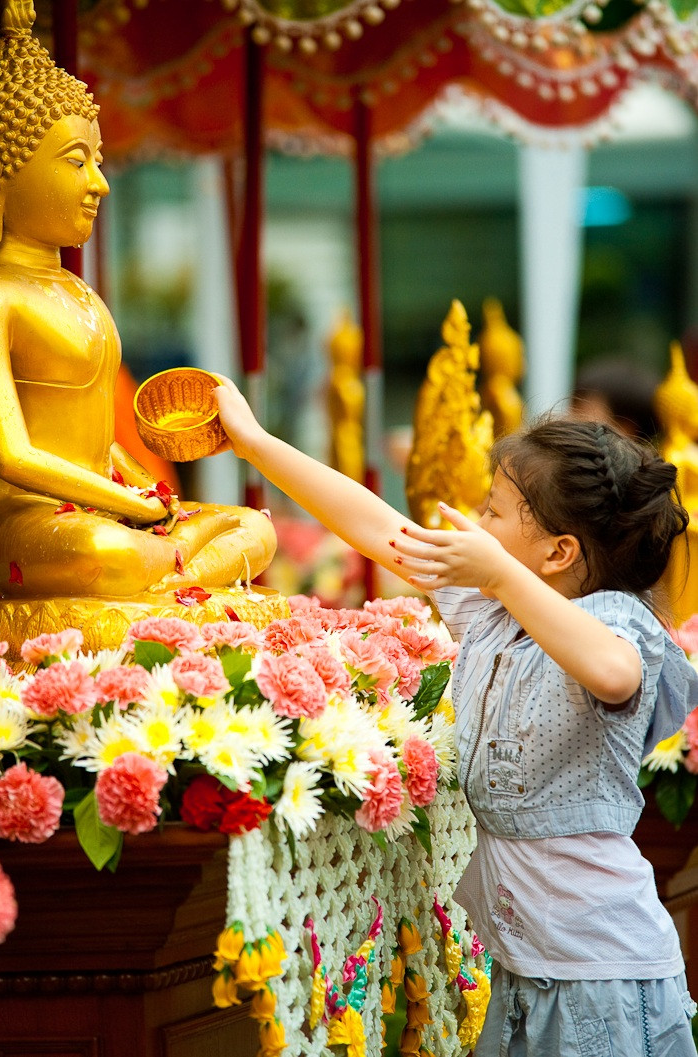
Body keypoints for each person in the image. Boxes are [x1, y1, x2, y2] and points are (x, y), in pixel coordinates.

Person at [213, 374, 698, 1056]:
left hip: (603, 973)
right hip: (523, 967)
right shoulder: (494, 610)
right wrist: (255, 442)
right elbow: (383, 531)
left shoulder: (612, 620)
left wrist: (500, 575)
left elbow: (613, 672)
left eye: (494, 511)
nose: (475, 519)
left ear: (557, 553)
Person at [0, 0, 275, 600]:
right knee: (107, 553)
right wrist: (126, 505)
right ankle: (169, 576)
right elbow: (14, 455)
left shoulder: (78, 291)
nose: (99, 182)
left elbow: (100, 441)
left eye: (97, 160)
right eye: (76, 162)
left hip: (107, 504)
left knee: (253, 529)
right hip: (29, 520)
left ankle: (164, 575)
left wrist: (149, 492)